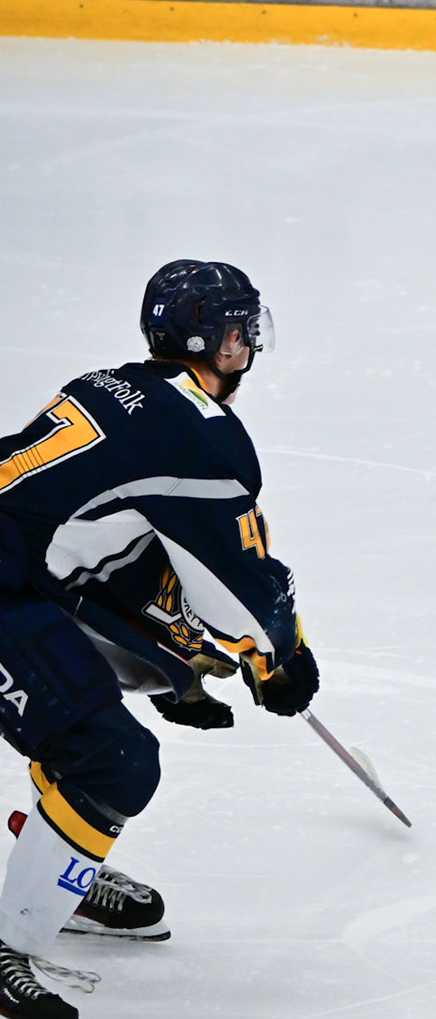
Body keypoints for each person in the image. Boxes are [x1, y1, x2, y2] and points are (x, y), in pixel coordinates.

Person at [0, 261, 318, 1017]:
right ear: (213, 341)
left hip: (18, 581)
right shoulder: (203, 443)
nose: (248, 349)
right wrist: (281, 660)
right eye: (240, 333)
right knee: (114, 762)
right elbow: (242, 588)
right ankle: (13, 940)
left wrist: (173, 663)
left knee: (87, 727)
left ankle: (58, 872)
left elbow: (96, 554)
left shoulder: (110, 386)